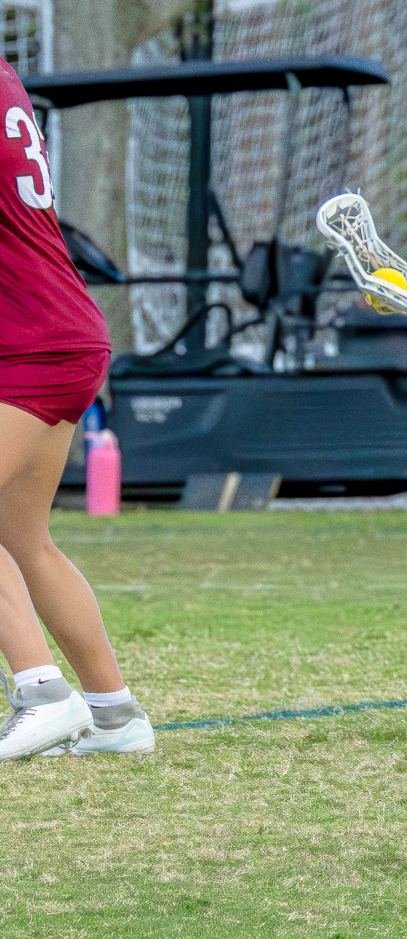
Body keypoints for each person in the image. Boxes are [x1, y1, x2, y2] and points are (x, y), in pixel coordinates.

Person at [0, 57, 154, 761]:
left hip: (25, 343)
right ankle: (115, 716)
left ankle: (42, 694)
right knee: (24, 539)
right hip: (64, 332)